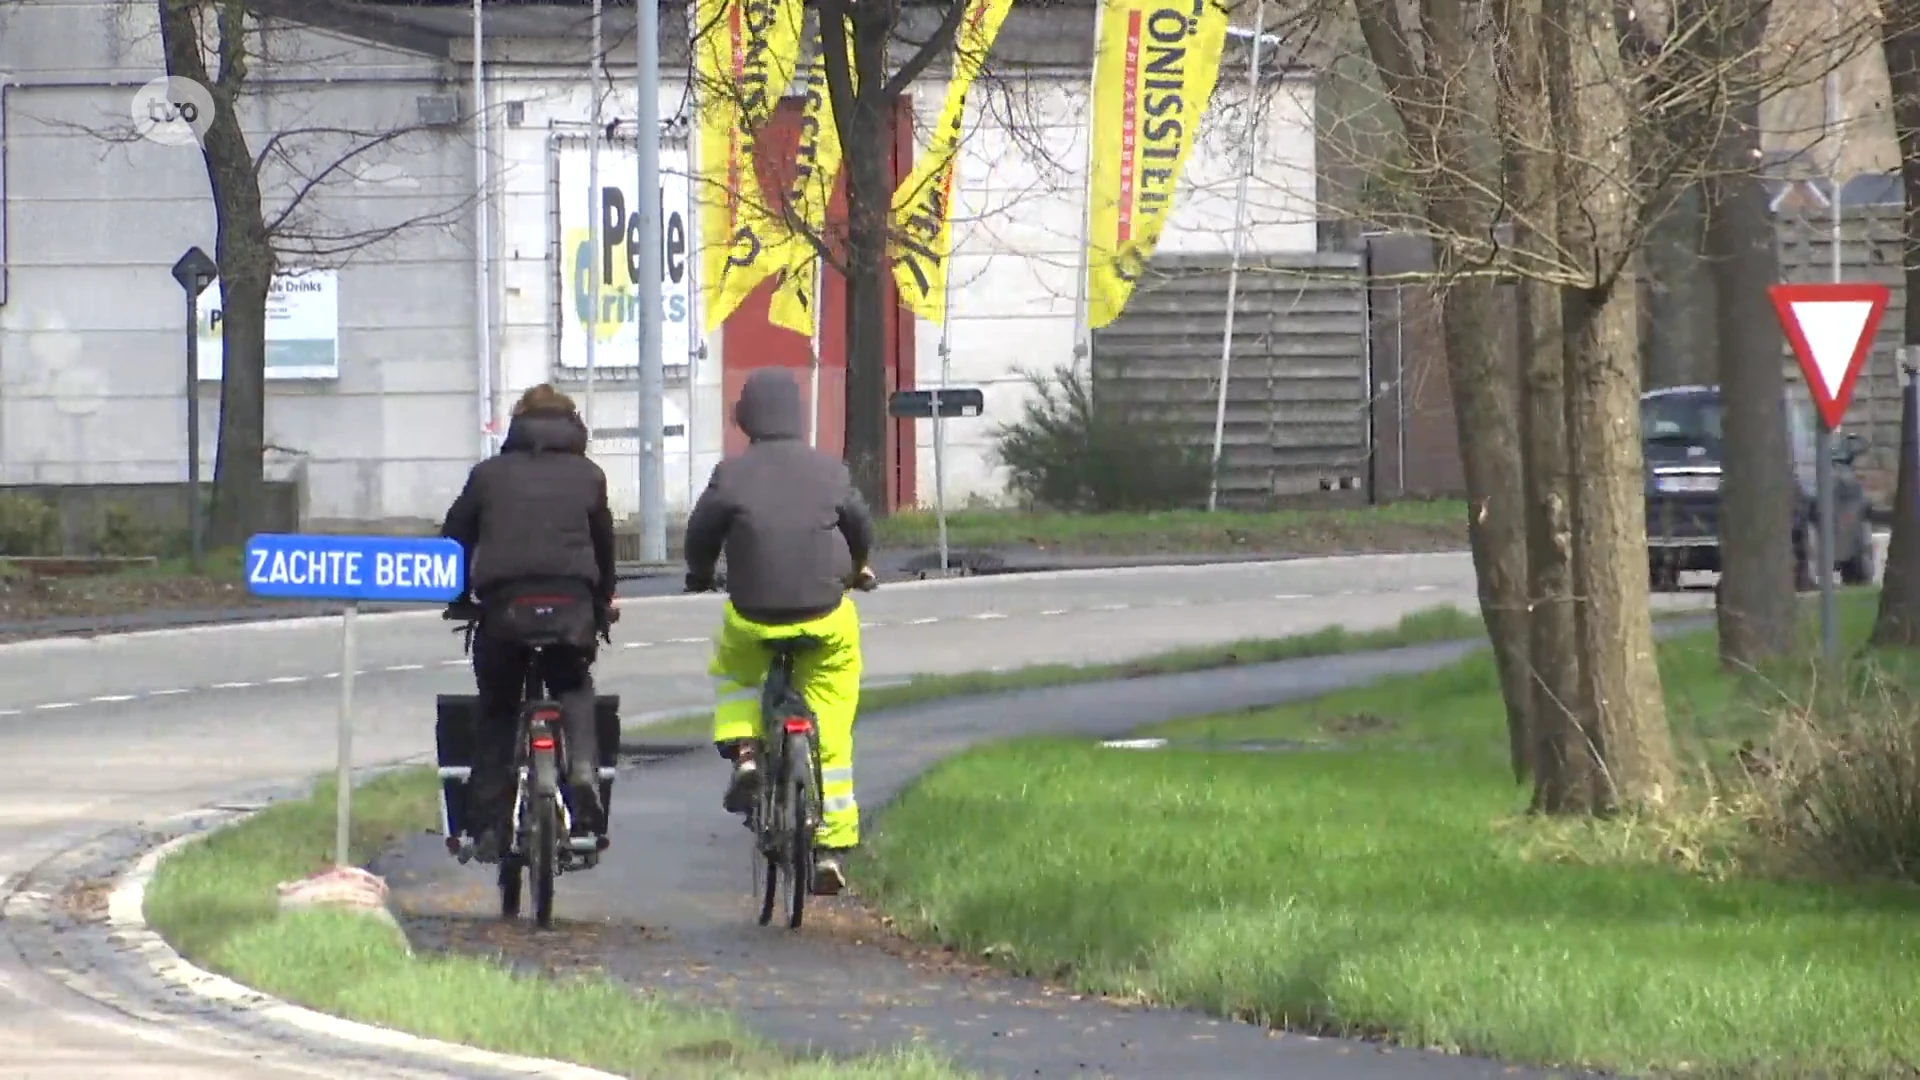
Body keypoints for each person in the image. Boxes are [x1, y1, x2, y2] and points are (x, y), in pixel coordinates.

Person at [683, 368, 875, 895]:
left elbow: (701, 533)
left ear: (747, 418)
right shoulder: (830, 472)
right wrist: (859, 564)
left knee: (736, 671)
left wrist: (699, 576)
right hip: (823, 615)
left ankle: (745, 751)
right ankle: (831, 847)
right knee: (832, 719)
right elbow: (858, 522)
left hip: (753, 616)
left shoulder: (731, 474)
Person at [441, 384, 618, 863]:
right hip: (572, 604)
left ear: (518, 425)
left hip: (505, 608)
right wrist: (601, 603)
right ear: (572, 426)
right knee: (574, 684)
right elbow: (605, 548)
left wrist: (459, 598)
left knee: (498, 708)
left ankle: (490, 827)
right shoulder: (590, 476)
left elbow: (453, 539)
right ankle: (581, 767)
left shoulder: (488, 475)